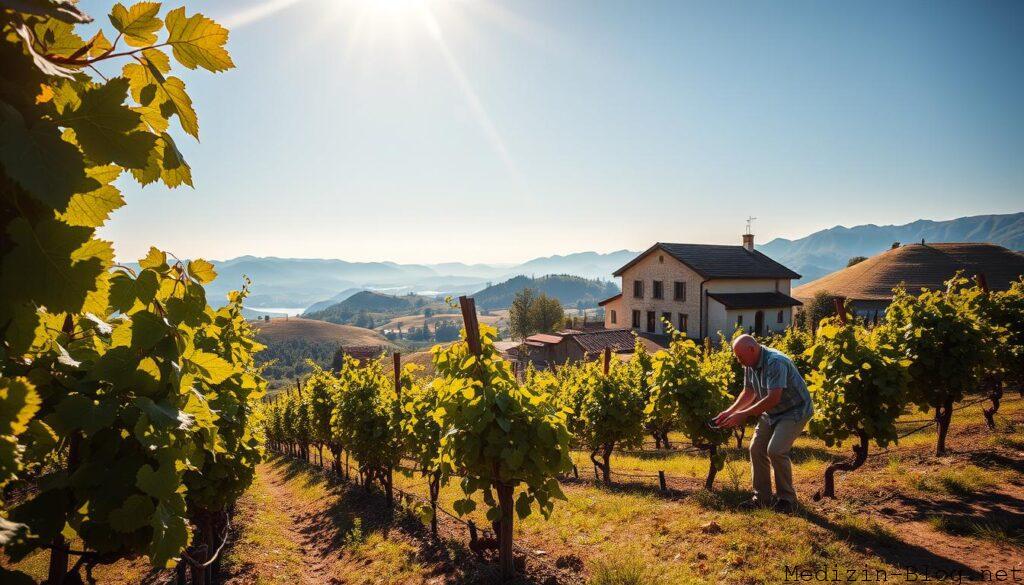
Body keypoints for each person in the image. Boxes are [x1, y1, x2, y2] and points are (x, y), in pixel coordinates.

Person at [714, 334, 813, 513]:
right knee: (756, 449)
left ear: (752, 349)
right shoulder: (749, 363)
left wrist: (742, 415)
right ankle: (761, 498)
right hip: (772, 412)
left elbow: (772, 398)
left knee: (775, 450)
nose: (738, 361)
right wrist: (730, 411)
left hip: (794, 410)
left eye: (740, 356)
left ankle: (787, 500)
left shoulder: (776, 362)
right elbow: (749, 391)